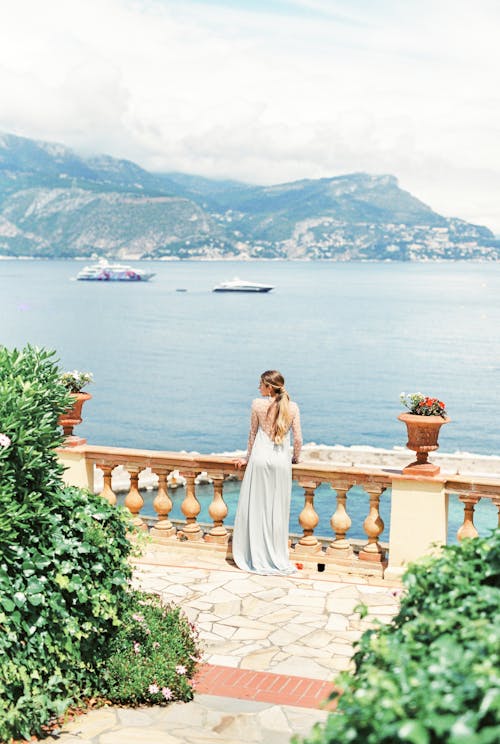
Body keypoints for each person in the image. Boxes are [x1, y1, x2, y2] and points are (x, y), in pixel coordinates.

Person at [232, 370, 302, 575]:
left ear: (269, 387)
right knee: (276, 510)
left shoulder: (257, 404)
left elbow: (252, 434)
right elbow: (298, 440)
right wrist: (296, 459)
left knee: (257, 508)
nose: (258, 388)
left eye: (261, 384)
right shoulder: (293, 407)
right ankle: (275, 554)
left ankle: (256, 554)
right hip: (281, 461)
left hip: (259, 459)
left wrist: (246, 458)